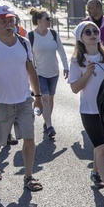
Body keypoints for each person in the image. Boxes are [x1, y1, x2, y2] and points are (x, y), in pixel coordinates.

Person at [0, 5, 44, 191]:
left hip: (23, 100)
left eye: (11, 20)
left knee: (29, 137)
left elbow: (31, 70)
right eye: (3, 21)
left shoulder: (23, 42)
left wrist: (37, 96)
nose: (8, 24)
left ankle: (28, 177)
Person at [68, 21, 104, 204]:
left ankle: (95, 173)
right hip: (89, 112)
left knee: (101, 146)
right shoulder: (77, 61)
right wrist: (87, 74)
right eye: (87, 32)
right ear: (80, 38)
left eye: (95, 30)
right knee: (103, 148)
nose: (92, 34)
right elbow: (74, 88)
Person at [28, 8, 68, 140]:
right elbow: (29, 57)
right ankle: (50, 126)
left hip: (54, 72)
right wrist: (29, 74)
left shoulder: (53, 34)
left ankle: (46, 122)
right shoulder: (31, 36)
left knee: (50, 98)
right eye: (47, 19)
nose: (50, 21)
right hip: (39, 73)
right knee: (44, 97)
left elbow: (61, 51)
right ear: (39, 21)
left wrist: (66, 67)